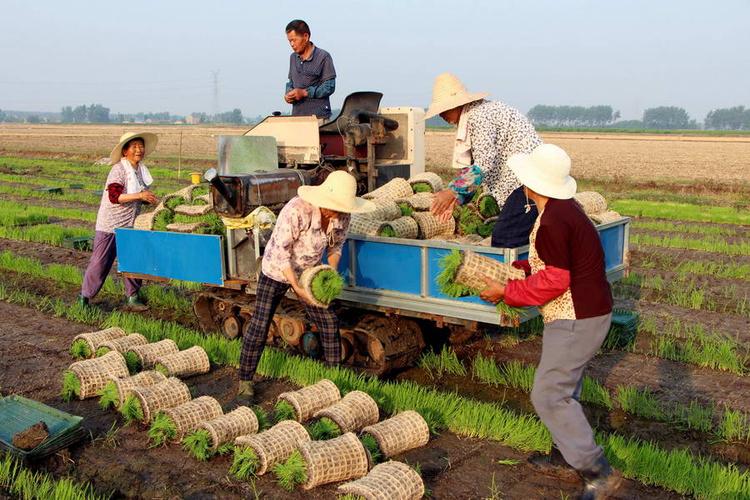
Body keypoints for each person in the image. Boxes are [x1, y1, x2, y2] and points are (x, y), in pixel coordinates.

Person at [478, 144, 620, 500]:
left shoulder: (555, 219)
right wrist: (519, 271)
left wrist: (506, 293)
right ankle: (564, 457)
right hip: (583, 312)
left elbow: (556, 281)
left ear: (529, 183)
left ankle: (597, 472)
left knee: (548, 394)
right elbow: (552, 264)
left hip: (576, 316)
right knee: (564, 389)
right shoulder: (561, 210)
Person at [237, 171, 374, 402]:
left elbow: (335, 247)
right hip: (278, 270)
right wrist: (296, 288)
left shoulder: (342, 216)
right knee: (260, 324)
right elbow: (282, 252)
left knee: (329, 322)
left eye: (342, 209)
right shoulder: (297, 210)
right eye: (335, 208)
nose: (337, 214)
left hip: (309, 274)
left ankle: (333, 383)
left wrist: (328, 272)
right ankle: (245, 382)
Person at [424, 73, 542, 247]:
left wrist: (451, 191)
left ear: (457, 104)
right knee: (518, 236)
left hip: (527, 184)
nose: (441, 115)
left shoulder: (479, 116)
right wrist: (456, 197)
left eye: (444, 109)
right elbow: (480, 164)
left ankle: (515, 273)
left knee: (505, 239)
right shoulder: (479, 112)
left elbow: (484, 163)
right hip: (524, 183)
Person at [78, 132, 159, 311]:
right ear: (125, 151)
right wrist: (140, 195)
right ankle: (85, 297)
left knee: (132, 261)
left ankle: (133, 296)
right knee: (100, 263)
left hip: (131, 224)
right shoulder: (119, 170)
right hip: (110, 225)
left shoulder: (140, 171)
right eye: (134, 146)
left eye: (141, 146)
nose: (139, 149)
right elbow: (114, 196)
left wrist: (147, 199)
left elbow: (138, 195)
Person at [284, 19, 336, 122]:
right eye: (290, 41)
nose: (292, 44)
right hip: (297, 118)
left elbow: (329, 86)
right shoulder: (293, 58)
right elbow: (291, 82)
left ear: (306, 37)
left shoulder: (323, 57)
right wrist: (288, 93)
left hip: (318, 119)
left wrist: (304, 93)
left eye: (294, 40)